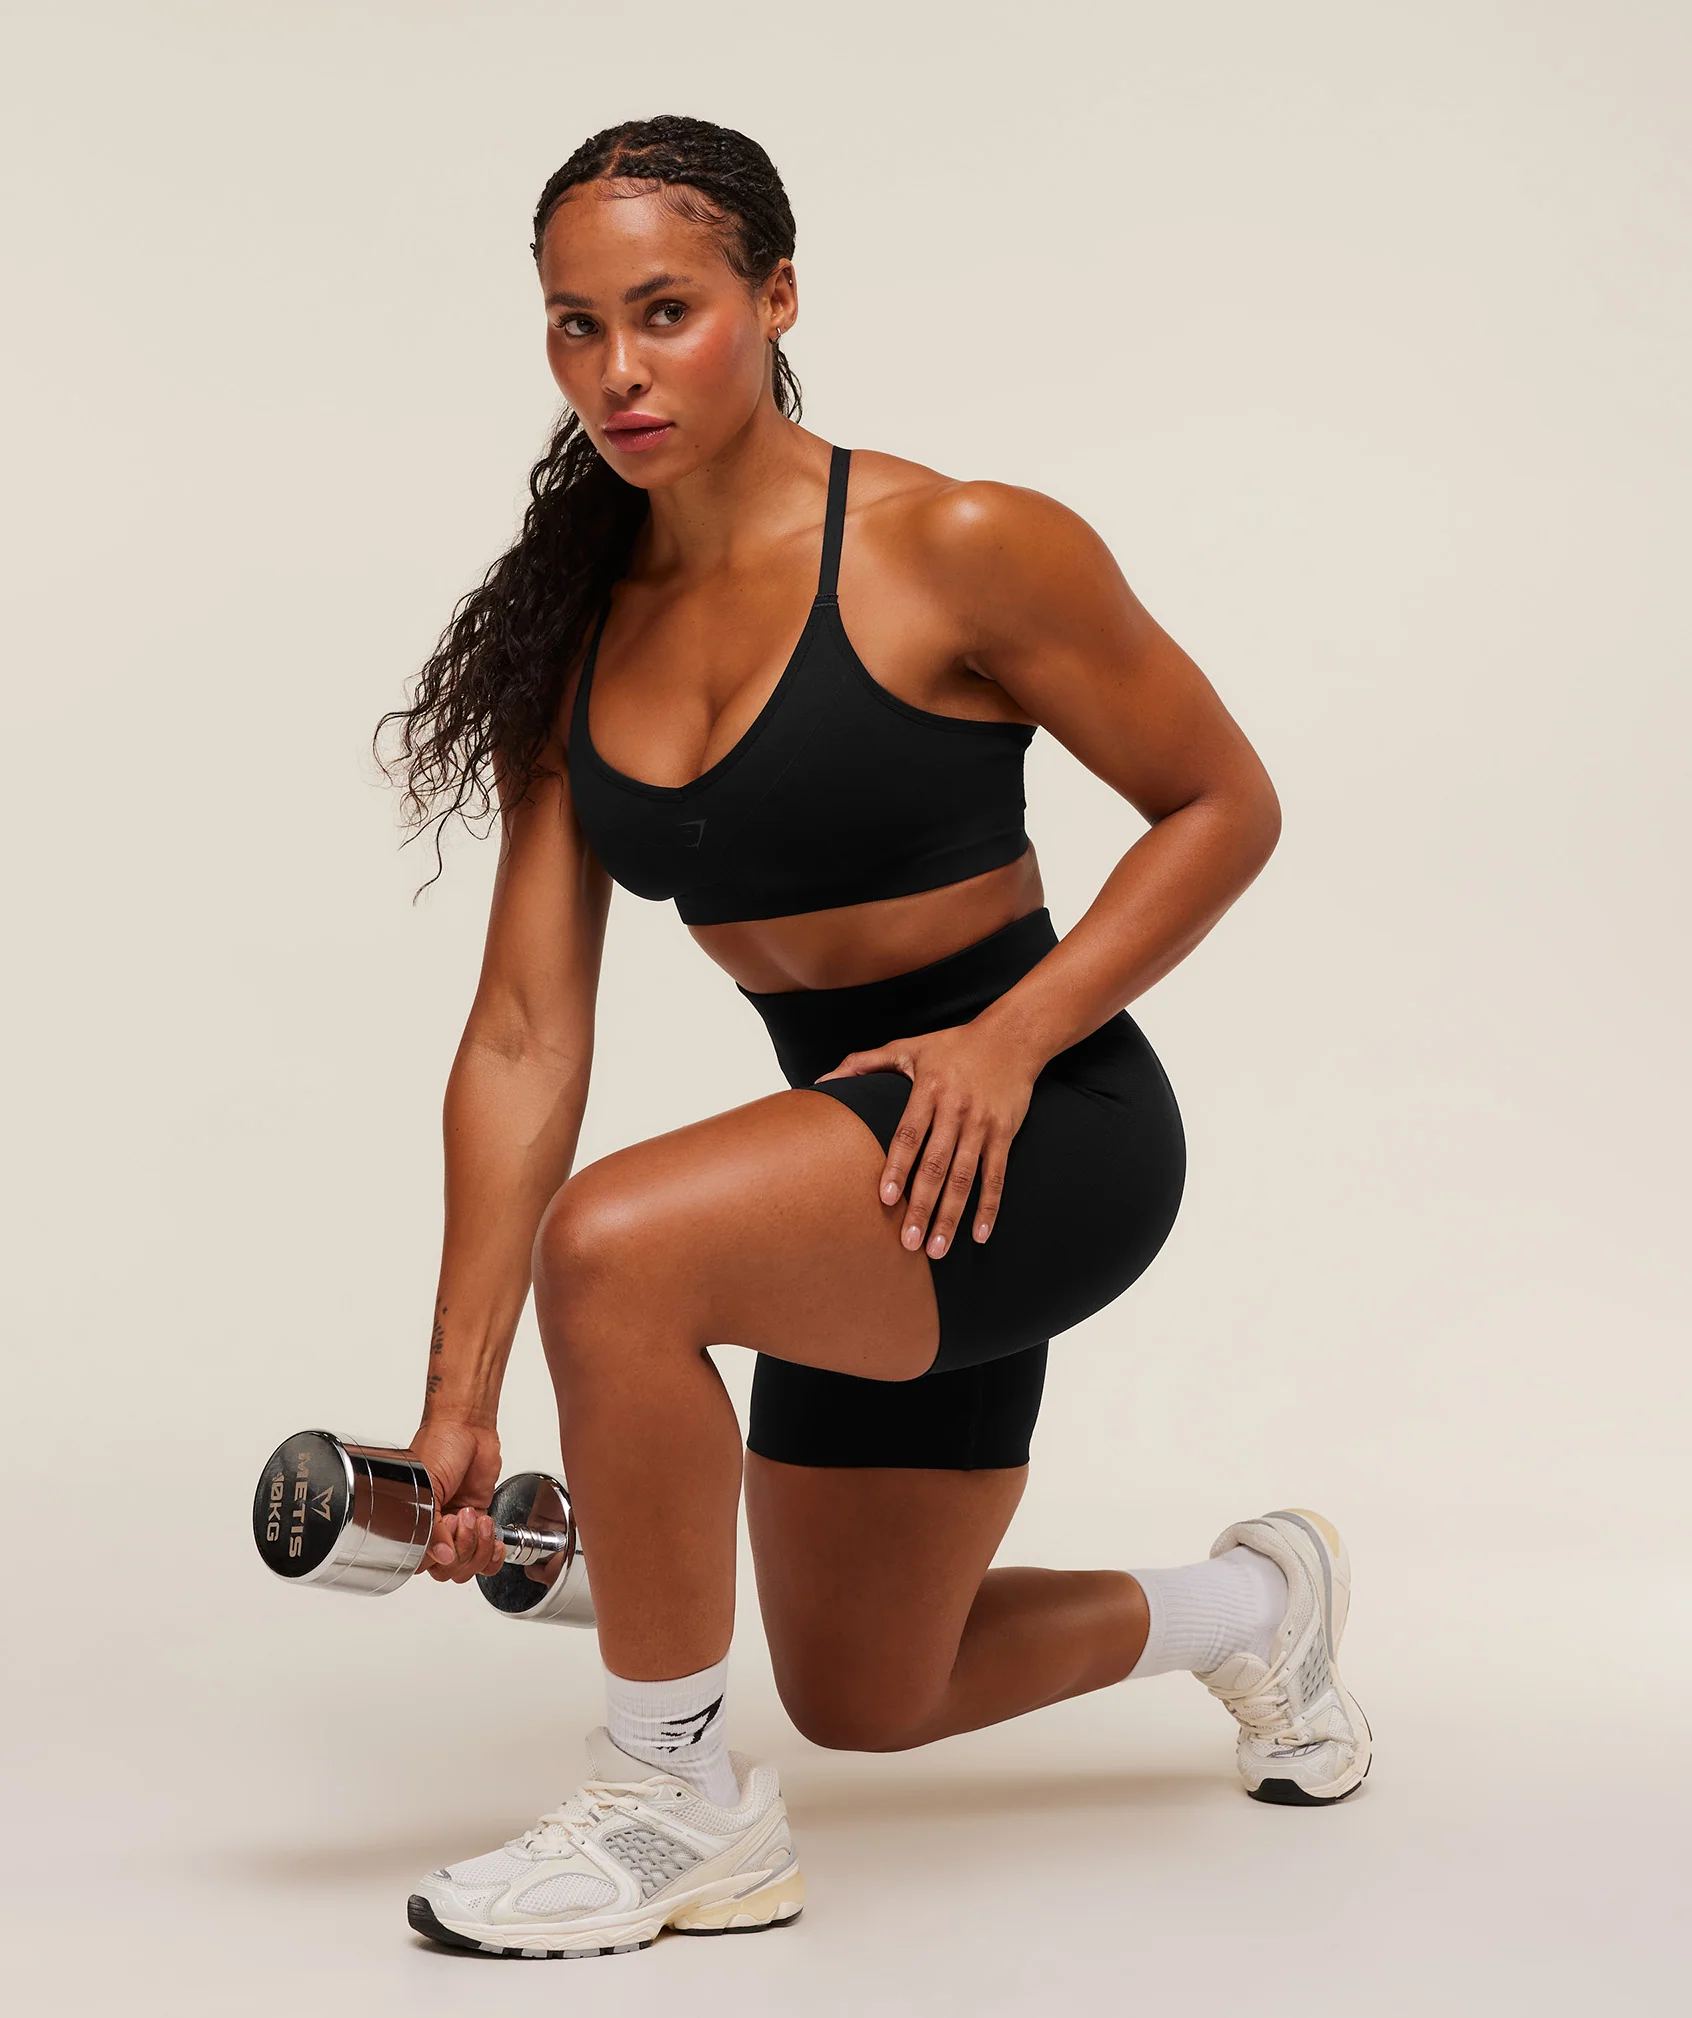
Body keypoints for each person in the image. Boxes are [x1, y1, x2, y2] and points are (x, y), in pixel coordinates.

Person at [373, 114, 1370, 1962]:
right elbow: (521, 1033)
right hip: (860, 1170)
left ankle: (675, 1799)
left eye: (664, 311)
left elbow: (1223, 802)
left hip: (1048, 1126)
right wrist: (458, 1391)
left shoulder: (959, 544)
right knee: (871, 1688)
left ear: (775, 297)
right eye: (577, 325)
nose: (619, 368)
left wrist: (1008, 1038)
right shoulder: (573, 635)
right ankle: (1258, 1606)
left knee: (618, 1245)